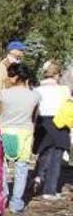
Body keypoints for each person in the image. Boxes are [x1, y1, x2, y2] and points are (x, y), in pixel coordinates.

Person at [0, 63, 40, 213]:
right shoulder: (35, 95)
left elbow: (0, 114)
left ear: (15, 77)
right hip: (25, 133)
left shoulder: (4, 94)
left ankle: (2, 200)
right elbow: (34, 117)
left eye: (10, 75)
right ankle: (16, 204)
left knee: (2, 168)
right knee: (21, 169)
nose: (8, 78)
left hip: (4, 132)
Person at [33, 60, 72, 200]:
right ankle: (50, 190)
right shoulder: (64, 90)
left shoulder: (37, 90)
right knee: (56, 157)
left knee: (43, 153)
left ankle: (37, 178)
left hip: (43, 122)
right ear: (57, 75)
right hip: (59, 123)